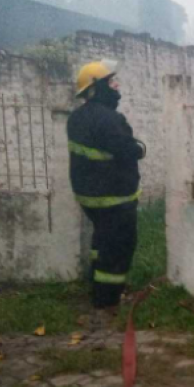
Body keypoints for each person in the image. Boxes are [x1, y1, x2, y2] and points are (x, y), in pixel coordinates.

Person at [67, 60, 146, 310]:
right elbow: (128, 150)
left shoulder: (76, 118)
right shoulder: (110, 119)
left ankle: (96, 282)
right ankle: (108, 298)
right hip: (114, 198)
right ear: (97, 87)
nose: (116, 86)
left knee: (101, 239)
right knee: (119, 245)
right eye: (111, 82)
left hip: (89, 197)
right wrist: (139, 148)